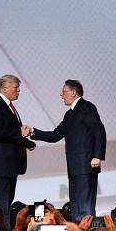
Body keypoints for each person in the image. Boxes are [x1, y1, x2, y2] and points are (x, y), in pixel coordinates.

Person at [28, 80, 106, 218]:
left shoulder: (86, 107)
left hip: (87, 165)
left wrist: (97, 156)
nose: (61, 95)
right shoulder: (69, 114)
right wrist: (32, 131)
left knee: (86, 207)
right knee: (75, 207)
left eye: (64, 91)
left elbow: (99, 130)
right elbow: (55, 135)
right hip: (74, 168)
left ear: (74, 93)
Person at [0, 75, 35, 227]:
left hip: (7, 165)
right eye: (16, 87)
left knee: (6, 204)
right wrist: (19, 133)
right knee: (1, 207)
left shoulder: (7, 106)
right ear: (4, 88)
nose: (19, 90)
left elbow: (7, 130)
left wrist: (25, 142)